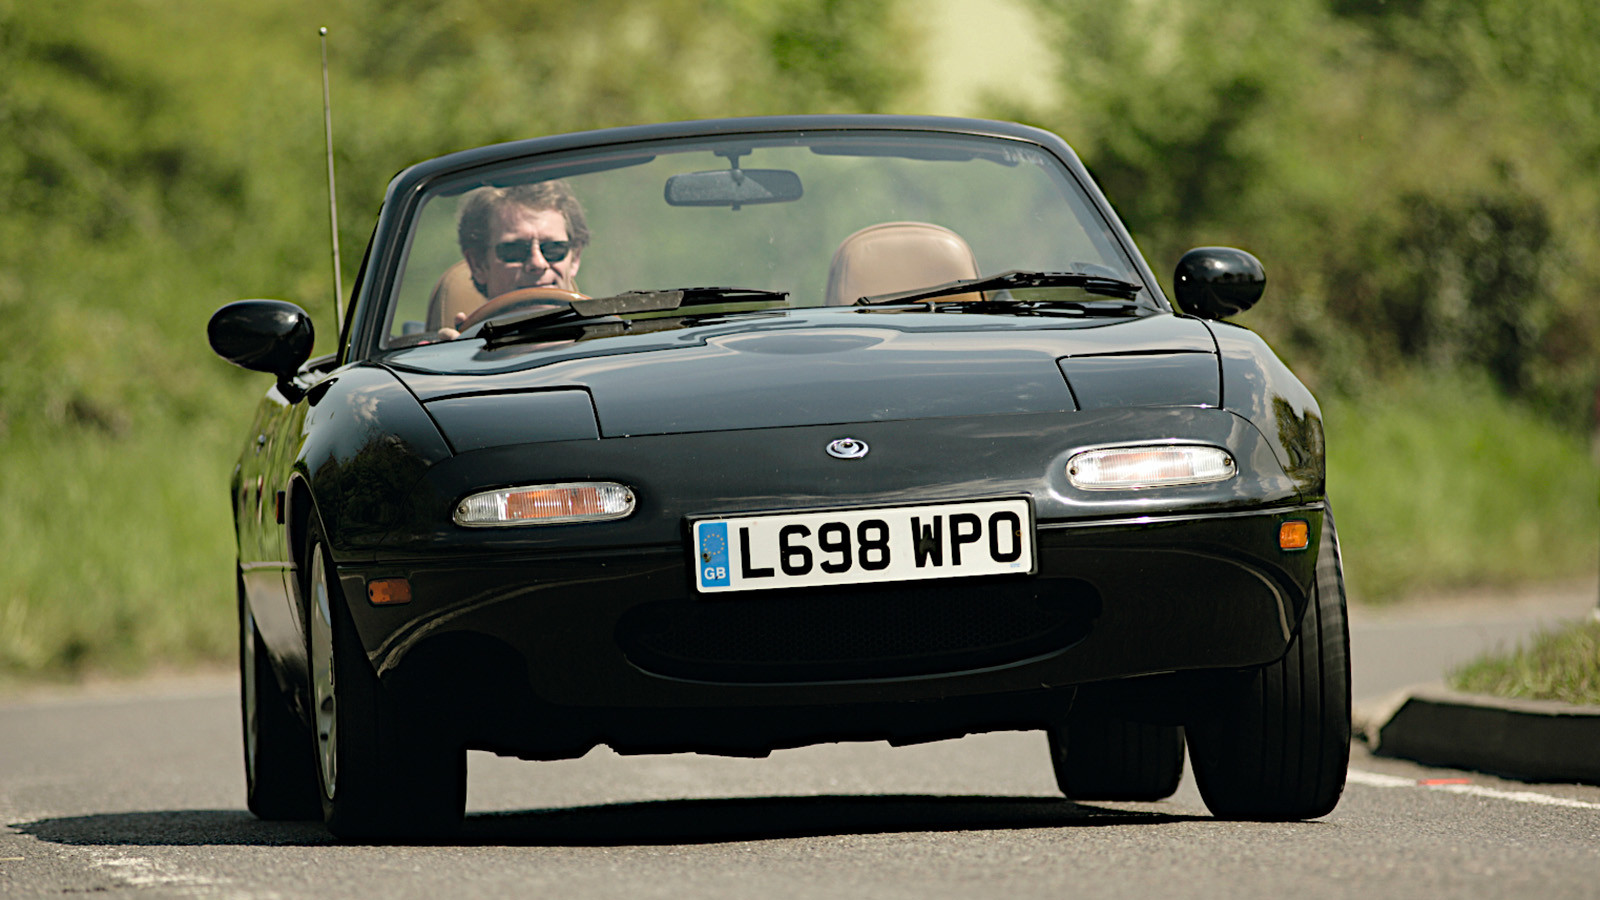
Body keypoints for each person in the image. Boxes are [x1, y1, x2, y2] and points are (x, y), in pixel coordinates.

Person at [428, 180, 590, 336]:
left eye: (553, 249)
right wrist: (462, 349)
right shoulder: (456, 350)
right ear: (478, 264)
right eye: (515, 251)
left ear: (575, 258)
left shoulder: (603, 343)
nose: (538, 263)